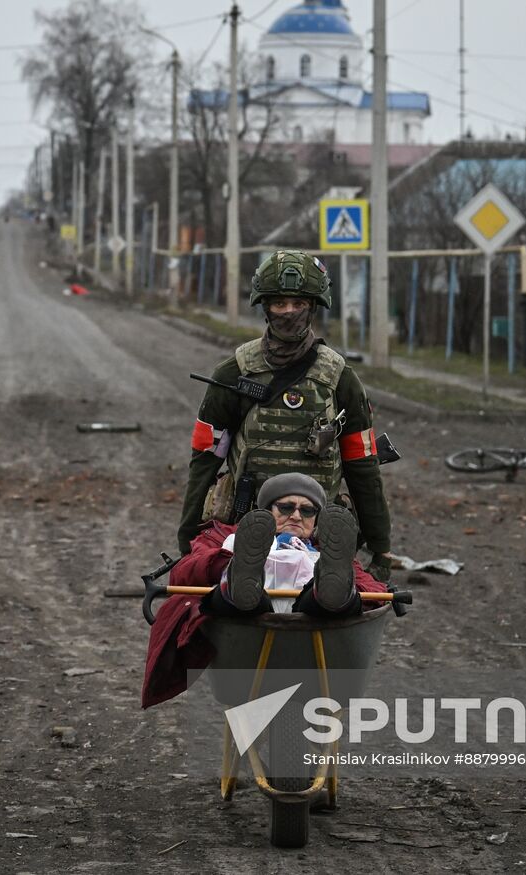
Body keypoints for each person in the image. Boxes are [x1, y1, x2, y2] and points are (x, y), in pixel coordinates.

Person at [179, 250, 392, 582]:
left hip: (316, 527)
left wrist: (381, 547)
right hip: (246, 524)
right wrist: (188, 538)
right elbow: (205, 460)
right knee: (219, 572)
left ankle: (324, 579)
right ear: (265, 307)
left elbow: (363, 467)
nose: (289, 312)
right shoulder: (234, 373)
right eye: (279, 304)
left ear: (314, 306)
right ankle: (247, 571)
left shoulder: (340, 379)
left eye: (298, 303)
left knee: (336, 588)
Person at [142, 474, 389, 709]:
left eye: (307, 510)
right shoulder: (229, 537)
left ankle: (333, 592)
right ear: (267, 511)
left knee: (329, 596)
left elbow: (372, 588)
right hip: (250, 616)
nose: (295, 515)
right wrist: (224, 561)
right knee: (245, 597)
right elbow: (183, 572)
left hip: (310, 613)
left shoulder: (326, 550)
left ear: (316, 521)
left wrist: (358, 592)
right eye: (285, 507)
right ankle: (239, 579)